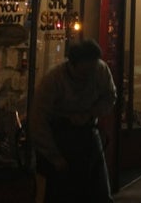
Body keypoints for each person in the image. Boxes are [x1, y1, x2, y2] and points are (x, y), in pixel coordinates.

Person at [29, 38, 117, 203]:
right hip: (59, 136)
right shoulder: (53, 79)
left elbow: (110, 96)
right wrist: (54, 156)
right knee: (60, 192)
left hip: (88, 132)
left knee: (99, 190)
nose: (88, 76)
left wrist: (91, 113)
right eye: (84, 72)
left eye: (91, 70)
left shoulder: (100, 70)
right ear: (72, 64)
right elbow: (38, 120)